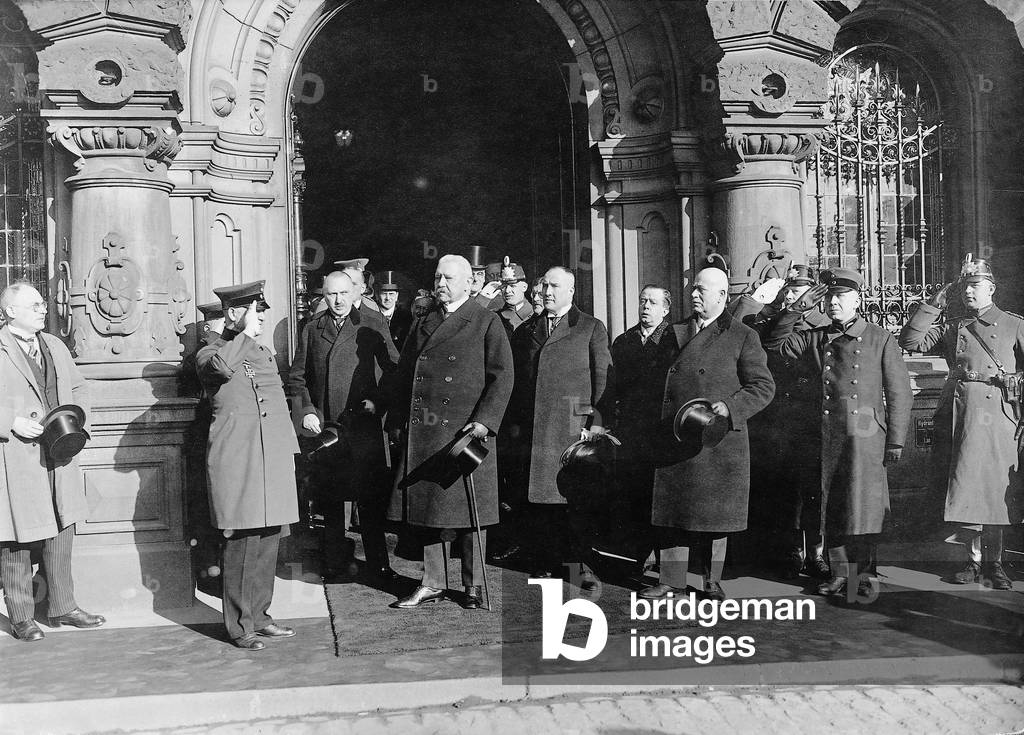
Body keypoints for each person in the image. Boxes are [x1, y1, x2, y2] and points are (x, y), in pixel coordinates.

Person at [767, 268, 912, 598]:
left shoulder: (879, 337)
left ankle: (863, 574)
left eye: (841, 296)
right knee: (831, 506)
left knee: (863, 508)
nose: (834, 302)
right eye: (830, 296)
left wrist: (896, 440)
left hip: (865, 438)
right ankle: (839, 574)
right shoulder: (815, 337)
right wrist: (797, 308)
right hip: (828, 436)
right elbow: (774, 345)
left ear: (857, 300)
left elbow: (899, 391)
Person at [385, 254, 513, 609]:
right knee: (430, 509)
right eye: (438, 278)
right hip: (427, 430)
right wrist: (398, 420)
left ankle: (473, 585)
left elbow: (503, 376)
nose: (441, 284)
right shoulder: (423, 322)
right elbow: (404, 376)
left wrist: (486, 421)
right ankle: (433, 582)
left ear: (469, 283)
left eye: (449, 279)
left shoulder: (486, 321)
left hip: (466, 431)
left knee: (472, 512)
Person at [643, 267, 774, 601]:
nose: (694, 294)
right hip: (676, 432)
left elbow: (763, 386)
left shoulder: (742, 335)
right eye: (694, 289)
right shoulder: (673, 331)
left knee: (715, 516)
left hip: (716, 438)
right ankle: (670, 581)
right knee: (672, 510)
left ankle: (710, 581)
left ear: (722, 295)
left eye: (701, 289)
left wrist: (729, 407)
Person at [899, 255, 1023, 590]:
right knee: (967, 487)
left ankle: (995, 564)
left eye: (975, 285)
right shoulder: (955, 326)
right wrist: (933, 304)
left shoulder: (1013, 324)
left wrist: (1016, 380)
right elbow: (909, 342)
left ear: (991, 289)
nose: (969, 291)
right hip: (962, 416)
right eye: (965, 286)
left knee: (994, 490)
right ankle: (973, 560)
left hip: (999, 416)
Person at [197, 281, 300, 650]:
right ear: (232, 314)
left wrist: (288, 452)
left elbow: (275, 401)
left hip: (271, 455)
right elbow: (221, 370)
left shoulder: (261, 352)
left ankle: (260, 616)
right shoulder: (210, 353)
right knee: (243, 541)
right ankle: (240, 626)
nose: (260, 318)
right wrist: (242, 333)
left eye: (261, 311)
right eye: (254, 311)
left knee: (269, 539)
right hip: (239, 459)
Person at [0, 283, 105, 642]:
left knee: (62, 526)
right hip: (14, 456)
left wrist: (77, 420)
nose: (43, 309)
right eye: (34, 305)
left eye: (42, 304)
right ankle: (22, 617)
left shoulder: (54, 345)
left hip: (58, 453)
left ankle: (63, 606)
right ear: (10, 311)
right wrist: (10, 422)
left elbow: (78, 388)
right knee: (15, 536)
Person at [288, 271, 400, 581]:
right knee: (331, 500)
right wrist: (306, 411)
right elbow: (297, 378)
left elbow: (394, 370)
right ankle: (334, 563)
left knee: (369, 500)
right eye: (331, 294)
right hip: (327, 429)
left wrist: (378, 402)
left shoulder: (372, 324)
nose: (338, 300)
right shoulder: (312, 329)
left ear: (355, 293)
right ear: (323, 296)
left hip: (363, 427)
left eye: (343, 293)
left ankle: (379, 566)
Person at [508, 266, 612, 586]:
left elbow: (603, 380)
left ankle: (578, 566)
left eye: (555, 286)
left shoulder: (590, 327)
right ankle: (544, 559)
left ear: (571, 291)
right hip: (535, 427)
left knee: (572, 501)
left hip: (572, 426)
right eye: (544, 286)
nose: (547, 292)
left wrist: (596, 423)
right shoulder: (526, 330)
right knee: (539, 500)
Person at [731, 265, 833, 579]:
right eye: (787, 290)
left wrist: (795, 311)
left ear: (814, 295)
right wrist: (756, 299)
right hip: (777, 418)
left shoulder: (823, 325)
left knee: (813, 489)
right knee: (784, 489)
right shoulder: (771, 321)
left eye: (797, 291)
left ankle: (815, 553)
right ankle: (791, 551)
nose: (790, 296)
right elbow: (736, 328)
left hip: (811, 418)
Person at [605, 285, 677, 566]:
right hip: (631, 431)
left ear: (666, 309)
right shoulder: (624, 341)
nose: (646, 306)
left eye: (653, 302)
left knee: (662, 494)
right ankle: (641, 552)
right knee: (634, 491)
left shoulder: (675, 340)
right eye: (643, 301)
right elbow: (613, 386)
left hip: (663, 429)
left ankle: (664, 556)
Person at [376, 270, 412, 351]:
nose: (388, 298)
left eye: (391, 294)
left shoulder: (407, 317)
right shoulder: (369, 314)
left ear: (397, 296)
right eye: (384, 294)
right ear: (377, 295)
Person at [495, 257, 532, 334]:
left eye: (512, 286)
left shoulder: (533, 313)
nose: (507, 290)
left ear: (524, 287)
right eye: (504, 286)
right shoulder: (496, 316)